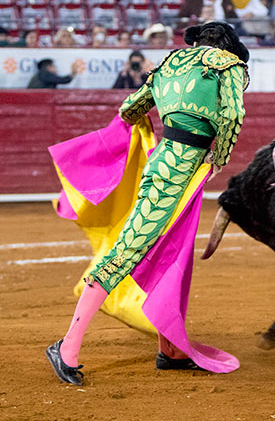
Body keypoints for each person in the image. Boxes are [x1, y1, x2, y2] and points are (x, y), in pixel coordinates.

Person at [45, 21, 250, 386]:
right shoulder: (227, 65)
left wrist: (148, 140)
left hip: (164, 162)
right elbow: (233, 114)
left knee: (172, 250)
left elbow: (129, 110)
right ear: (227, 46)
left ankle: (169, 350)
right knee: (130, 250)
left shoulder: (168, 65)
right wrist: (220, 155)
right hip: (182, 170)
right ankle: (66, 346)